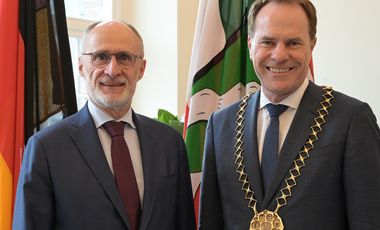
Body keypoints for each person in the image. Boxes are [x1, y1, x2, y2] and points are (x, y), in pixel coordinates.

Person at [198, 0, 380, 229]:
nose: (279, 55)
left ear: (312, 46)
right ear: (250, 44)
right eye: (268, 42)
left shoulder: (351, 119)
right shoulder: (221, 124)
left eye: (293, 43)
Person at [13, 21, 196, 230]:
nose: (112, 70)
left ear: (141, 69)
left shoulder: (169, 143)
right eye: (101, 57)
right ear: (81, 66)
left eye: (124, 58)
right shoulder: (46, 148)